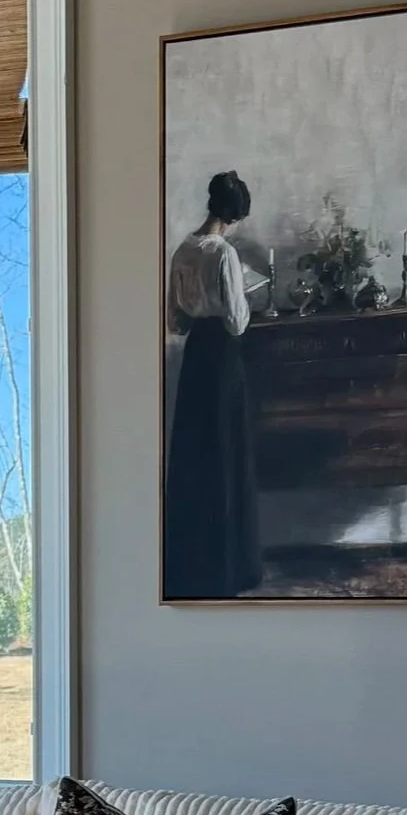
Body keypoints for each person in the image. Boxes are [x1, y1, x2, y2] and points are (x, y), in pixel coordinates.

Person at [164, 169, 266, 598]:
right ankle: (231, 568)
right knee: (226, 453)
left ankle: (193, 567)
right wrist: (245, 290)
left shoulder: (180, 252)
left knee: (197, 458)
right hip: (223, 355)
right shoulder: (223, 254)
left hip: (195, 360)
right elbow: (239, 321)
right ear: (233, 215)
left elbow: (175, 321)